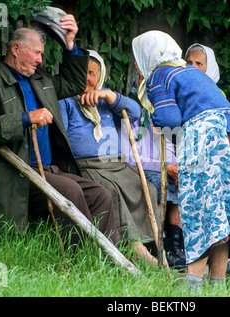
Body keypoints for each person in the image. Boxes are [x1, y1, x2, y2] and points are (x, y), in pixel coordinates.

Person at [132, 30, 230, 289]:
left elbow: (169, 120)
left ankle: (192, 286)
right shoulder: (190, 72)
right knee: (221, 214)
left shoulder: (159, 75)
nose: (138, 64)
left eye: (138, 57)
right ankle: (217, 285)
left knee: (199, 211)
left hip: (207, 139)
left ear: (149, 55)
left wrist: (158, 120)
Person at [0, 13, 119, 248]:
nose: (41, 60)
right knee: (70, 190)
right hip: (20, 172)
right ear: (16, 49)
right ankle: (81, 257)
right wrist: (25, 119)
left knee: (100, 193)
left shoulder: (41, 79)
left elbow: (74, 83)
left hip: (50, 169)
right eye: (37, 53)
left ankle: (108, 255)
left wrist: (70, 45)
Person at [58, 50, 161, 266]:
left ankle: (149, 246)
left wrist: (109, 96)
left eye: (92, 73)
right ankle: (140, 256)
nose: (87, 78)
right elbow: (61, 140)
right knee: (112, 193)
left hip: (117, 165)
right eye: (82, 71)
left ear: (99, 76)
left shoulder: (104, 98)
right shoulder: (66, 100)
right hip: (89, 167)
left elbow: (135, 113)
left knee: (148, 189)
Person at [186, 43, 230, 274]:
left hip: (219, 158)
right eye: (189, 63)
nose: (193, 68)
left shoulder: (214, 96)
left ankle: (208, 275)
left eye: (199, 63)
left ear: (211, 69)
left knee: (212, 209)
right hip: (199, 157)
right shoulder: (186, 92)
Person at [125, 77, 186, 270]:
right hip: (141, 168)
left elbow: (169, 148)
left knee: (182, 182)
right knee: (159, 183)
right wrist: (165, 166)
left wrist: (175, 167)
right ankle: (159, 243)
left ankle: (177, 246)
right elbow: (129, 155)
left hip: (163, 166)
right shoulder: (132, 112)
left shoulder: (164, 113)